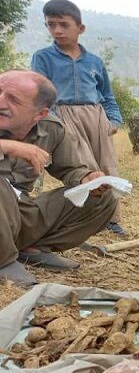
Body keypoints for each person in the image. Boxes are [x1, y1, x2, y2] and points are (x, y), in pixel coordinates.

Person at [0, 70, 115, 288]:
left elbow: (71, 169)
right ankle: (3, 261)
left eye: (13, 99)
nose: (0, 101)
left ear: (39, 114)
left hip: (16, 211)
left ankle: (30, 248)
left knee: (101, 199)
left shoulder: (51, 128)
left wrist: (87, 178)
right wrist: (9, 146)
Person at [31, 0, 127, 236]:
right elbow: (41, 94)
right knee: (82, 168)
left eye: (63, 24)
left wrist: (113, 121)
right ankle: (83, 219)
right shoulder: (43, 58)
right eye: (51, 25)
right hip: (63, 116)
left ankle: (111, 218)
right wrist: (55, 123)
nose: (57, 30)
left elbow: (106, 94)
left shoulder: (94, 61)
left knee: (107, 166)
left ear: (80, 28)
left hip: (95, 116)